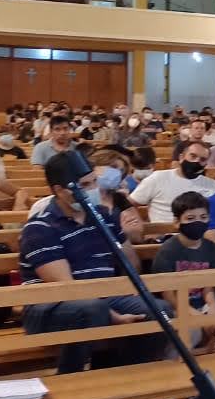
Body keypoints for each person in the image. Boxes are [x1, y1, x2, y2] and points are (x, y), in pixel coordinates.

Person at [19, 153, 171, 383]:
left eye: (93, 182)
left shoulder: (103, 216)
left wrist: (126, 239)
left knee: (160, 310)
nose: (92, 190)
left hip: (103, 297)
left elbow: (131, 265)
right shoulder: (40, 227)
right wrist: (112, 316)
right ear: (59, 190)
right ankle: (69, 383)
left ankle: (123, 380)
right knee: (92, 310)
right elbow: (65, 287)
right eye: (84, 185)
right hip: (50, 306)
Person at [152, 192, 215, 366]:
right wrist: (198, 316)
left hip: (202, 303)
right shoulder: (168, 250)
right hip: (177, 308)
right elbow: (169, 296)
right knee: (192, 328)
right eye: (190, 218)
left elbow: (209, 286)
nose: (198, 222)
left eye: (203, 217)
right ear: (177, 221)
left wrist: (213, 308)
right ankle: (174, 368)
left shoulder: (212, 249)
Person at [130, 141, 215, 223]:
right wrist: (141, 226)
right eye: (193, 156)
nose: (197, 161)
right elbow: (129, 204)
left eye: (202, 159)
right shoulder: (157, 178)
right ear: (181, 157)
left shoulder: (213, 186)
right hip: (162, 233)